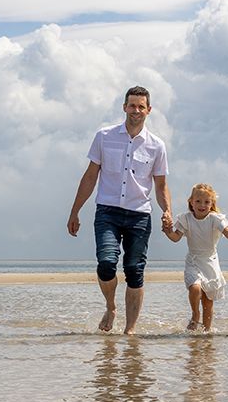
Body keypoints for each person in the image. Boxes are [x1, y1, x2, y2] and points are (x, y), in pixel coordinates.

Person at [67, 87, 173, 335]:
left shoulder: (157, 146)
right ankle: (111, 306)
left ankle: (130, 331)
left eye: (141, 106)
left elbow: (161, 185)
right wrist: (75, 211)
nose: (136, 110)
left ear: (148, 110)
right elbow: (90, 175)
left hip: (139, 214)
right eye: (132, 105)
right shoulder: (104, 136)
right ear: (124, 107)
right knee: (106, 264)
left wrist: (167, 211)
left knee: (135, 271)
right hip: (108, 211)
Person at [162, 183, 228, 332]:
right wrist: (167, 230)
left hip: (210, 262)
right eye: (198, 201)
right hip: (193, 261)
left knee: (208, 302)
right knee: (195, 288)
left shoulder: (215, 219)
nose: (202, 205)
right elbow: (175, 237)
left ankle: (206, 332)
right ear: (191, 201)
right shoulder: (186, 219)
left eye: (206, 202)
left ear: (211, 204)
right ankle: (195, 314)